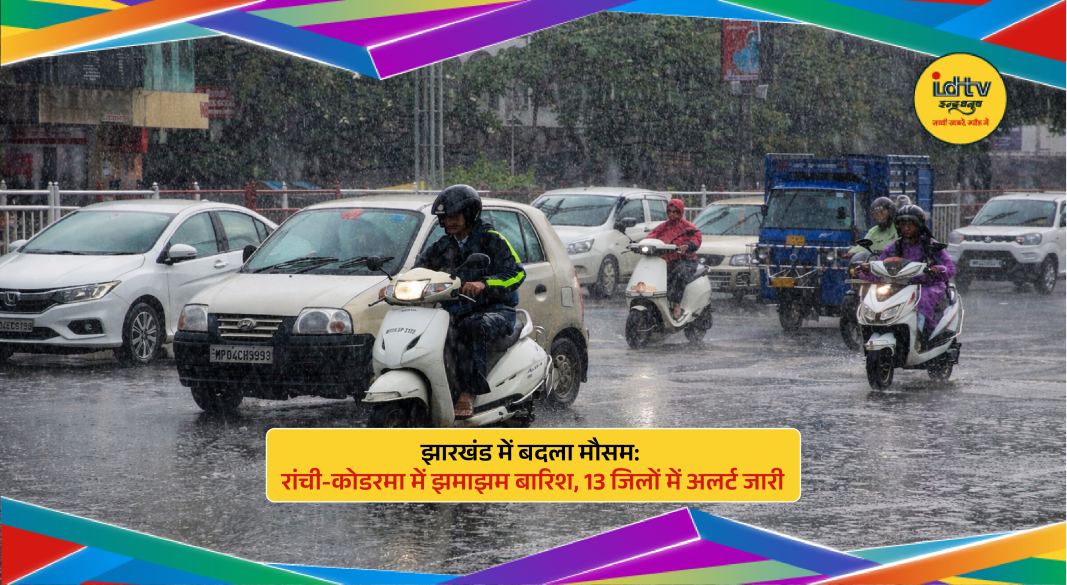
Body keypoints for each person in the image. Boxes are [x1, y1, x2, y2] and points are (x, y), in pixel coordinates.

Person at [413, 185, 525, 418]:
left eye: (455, 216)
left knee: (472, 327)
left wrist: (485, 284)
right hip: (456, 310)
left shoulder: (491, 239)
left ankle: (468, 392)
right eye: (445, 217)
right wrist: (399, 283)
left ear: (471, 213)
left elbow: (516, 273)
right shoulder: (443, 245)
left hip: (496, 310)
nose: (449, 222)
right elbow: (420, 268)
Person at [859, 205, 956, 348]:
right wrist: (867, 270)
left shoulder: (930, 244)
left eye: (911, 224)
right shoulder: (894, 246)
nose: (907, 228)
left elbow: (950, 269)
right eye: (903, 224)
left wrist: (937, 269)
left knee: (922, 299)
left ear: (919, 225)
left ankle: (925, 336)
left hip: (929, 287)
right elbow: (880, 267)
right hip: (899, 286)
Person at [646, 199, 702, 320]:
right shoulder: (663, 227)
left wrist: (687, 246)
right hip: (667, 261)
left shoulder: (688, 227)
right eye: (669, 212)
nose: (672, 215)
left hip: (687, 261)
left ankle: (676, 305)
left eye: (675, 212)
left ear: (681, 212)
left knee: (679, 274)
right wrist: (640, 244)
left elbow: (696, 238)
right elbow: (652, 235)